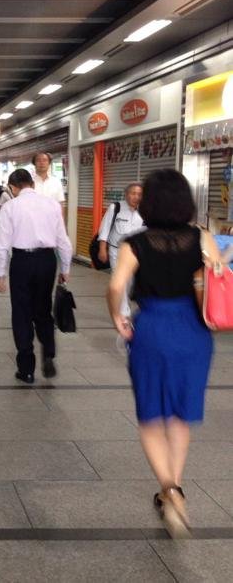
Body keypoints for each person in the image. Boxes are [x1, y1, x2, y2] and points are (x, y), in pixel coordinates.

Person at [107, 169, 219, 539]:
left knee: (152, 416)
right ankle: (175, 488)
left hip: (153, 329)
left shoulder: (134, 243)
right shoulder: (202, 237)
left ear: (149, 203)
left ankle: (169, 489)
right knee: (180, 415)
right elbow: (217, 275)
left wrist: (117, 317)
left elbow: (116, 286)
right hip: (194, 331)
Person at [0, 169, 72, 383]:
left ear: (13, 187)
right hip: (47, 261)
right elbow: (63, 240)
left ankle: (26, 369)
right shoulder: (52, 205)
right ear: (32, 184)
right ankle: (48, 353)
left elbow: (1, 244)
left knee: (21, 313)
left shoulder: (10, 207)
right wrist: (65, 268)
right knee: (43, 309)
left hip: (21, 262)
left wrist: (0, 274)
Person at [98, 183, 144, 316]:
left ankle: (123, 307)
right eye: (133, 193)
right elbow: (105, 229)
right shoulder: (115, 208)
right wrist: (102, 248)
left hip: (135, 253)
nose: (136, 197)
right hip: (116, 251)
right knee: (121, 281)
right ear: (126, 194)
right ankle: (124, 314)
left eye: (139, 194)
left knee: (131, 282)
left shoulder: (145, 211)